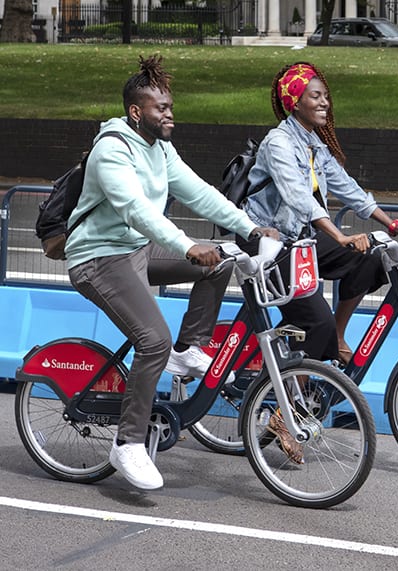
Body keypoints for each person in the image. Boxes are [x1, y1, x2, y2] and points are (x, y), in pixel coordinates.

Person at [66, 55, 276, 491]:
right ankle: (127, 443)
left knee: (218, 262)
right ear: (136, 112)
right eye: (161, 109)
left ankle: (190, 347)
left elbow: (199, 192)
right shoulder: (112, 149)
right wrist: (185, 246)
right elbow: (136, 211)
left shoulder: (161, 149)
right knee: (152, 339)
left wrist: (248, 226)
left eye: (171, 107)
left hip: (136, 251)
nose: (170, 116)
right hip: (98, 258)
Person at [240, 62, 398, 462]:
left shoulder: (314, 143)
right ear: (293, 101)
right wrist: (338, 235)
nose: (325, 102)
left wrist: (392, 222)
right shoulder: (279, 143)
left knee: (370, 260)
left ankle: (337, 334)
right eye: (315, 96)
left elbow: (346, 187)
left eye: (325, 95)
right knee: (312, 320)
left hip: (301, 239)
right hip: (268, 241)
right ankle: (283, 413)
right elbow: (298, 196)